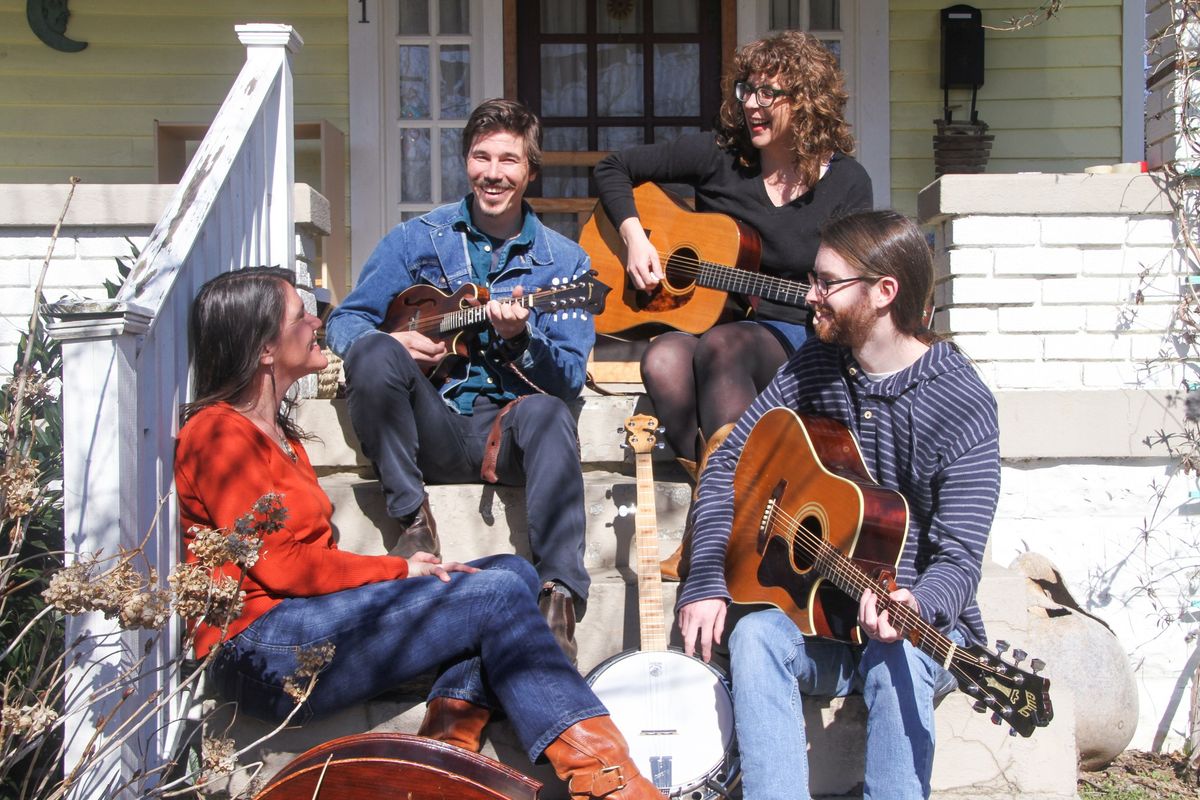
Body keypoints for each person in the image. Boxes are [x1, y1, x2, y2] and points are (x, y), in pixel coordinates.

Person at [175, 267, 661, 800]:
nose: (318, 320)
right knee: (494, 593)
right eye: (301, 315)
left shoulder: (283, 436)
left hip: (301, 626)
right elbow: (283, 567)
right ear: (265, 349)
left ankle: (444, 751)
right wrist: (402, 568)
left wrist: (397, 581)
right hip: (261, 652)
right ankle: (613, 780)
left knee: (511, 571)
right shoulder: (218, 432)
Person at [674, 210, 1001, 800]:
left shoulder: (961, 402)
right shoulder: (819, 363)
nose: (810, 295)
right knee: (754, 639)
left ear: (883, 292)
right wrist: (704, 577)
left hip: (913, 632)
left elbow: (960, 559)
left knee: (892, 659)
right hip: (817, 620)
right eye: (813, 279)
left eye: (827, 283)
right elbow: (730, 461)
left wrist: (916, 603)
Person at [325, 99, 593, 661]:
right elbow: (347, 320)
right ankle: (414, 522)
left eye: (509, 160)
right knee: (373, 351)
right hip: (431, 425)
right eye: (481, 156)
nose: (493, 173)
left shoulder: (564, 264)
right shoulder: (415, 240)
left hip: (509, 431)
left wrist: (522, 339)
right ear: (465, 161)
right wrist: (391, 342)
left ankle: (559, 599)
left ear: (530, 171)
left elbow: (568, 377)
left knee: (550, 411)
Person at [593, 31, 873, 566]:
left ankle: (713, 531)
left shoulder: (846, 183)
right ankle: (726, 505)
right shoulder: (719, 156)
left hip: (800, 331)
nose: (751, 104)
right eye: (746, 89)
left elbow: (852, 283)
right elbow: (613, 167)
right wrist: (635, 238)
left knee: (724, 347)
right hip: (718, 323)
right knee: (663, 357)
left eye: (769, 93)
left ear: (807, 98)